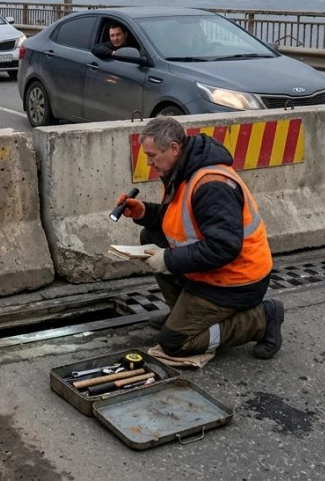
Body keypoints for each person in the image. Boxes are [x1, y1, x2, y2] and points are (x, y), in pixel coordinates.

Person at [117, 116, 284, 360]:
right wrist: (143, 212)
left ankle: (261, 318)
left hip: (237, 281)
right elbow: (180, 220)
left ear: (174, 148)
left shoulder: (211, 185)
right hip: (214, 271)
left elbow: (224, 247)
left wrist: (170, 260)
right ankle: (180, 313)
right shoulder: (182, 170)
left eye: (152, 155)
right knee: (150, 236)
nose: (149, 162)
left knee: (175, 342)